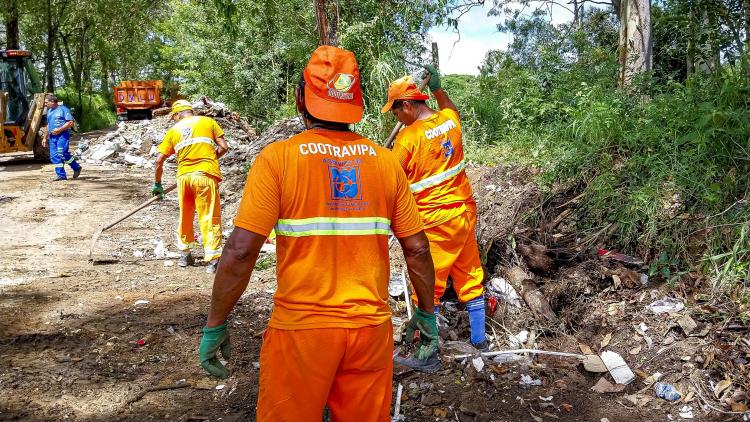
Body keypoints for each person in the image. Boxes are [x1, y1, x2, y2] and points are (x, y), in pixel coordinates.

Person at [197, 45, 438, 421]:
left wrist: (216, 322)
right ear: (355, 102)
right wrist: (425, 312)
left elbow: (242, 251)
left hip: (300, 333)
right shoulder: (386, 162)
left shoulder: (277, 160)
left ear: (300, 99)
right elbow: (418, 250)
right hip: (369, 331)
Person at [382, 66, 488, 369]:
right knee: (470, 274)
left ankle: (426, 351)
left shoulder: (408, 140)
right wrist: (440, 90)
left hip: (436, 221)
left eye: (395, 112)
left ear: (407, 105)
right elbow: (451, 108)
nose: (396, 119)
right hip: (465, 213)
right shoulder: (449, 122)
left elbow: (389, 179)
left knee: (429, 285)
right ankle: (480, 339)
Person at [152, 100, 229, 273]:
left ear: (178, 114)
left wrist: (157, 184)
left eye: (174, 117)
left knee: (185, 215)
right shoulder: (208, 122)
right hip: (204, 176)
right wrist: (209, 159)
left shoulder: (173, 131)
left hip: (184, 179)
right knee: (208, 215)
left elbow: (158, 161)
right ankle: (213, 259)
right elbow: (224, 147)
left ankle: (184, 254)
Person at [43, 94, 81, 181]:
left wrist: (59, 130)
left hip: (62, 135)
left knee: (62, 153)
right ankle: (61, 176)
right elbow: (48, 125)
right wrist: (45, 137)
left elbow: (70, 122)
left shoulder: (63, 109)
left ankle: (76, 167)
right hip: (52, 137)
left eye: (46, 102)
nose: (45, 104)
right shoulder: (49, 111)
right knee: (54, 156)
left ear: (52, 102)